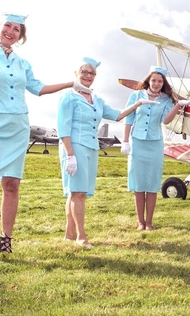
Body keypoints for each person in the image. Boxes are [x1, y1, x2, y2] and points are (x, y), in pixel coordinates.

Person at [0, 13, 90, 261]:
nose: (11, 31)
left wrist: (72, 83)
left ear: (21, 36)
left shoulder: (21, 63)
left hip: (18, 126)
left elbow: (37, 88)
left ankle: (5, 240)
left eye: (17, 29)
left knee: (11, 185)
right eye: (7, 25)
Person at [57, 57, 152, 248]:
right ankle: (81, 237)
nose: (88, 76)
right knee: (78, 192)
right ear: (76, 74)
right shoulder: (68, 97)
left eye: (92, 73)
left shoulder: (96, 99)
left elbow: (116, 115)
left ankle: (69, 233)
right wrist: (70, 154)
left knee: (76, 193)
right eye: (84, 71)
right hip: (74, 146)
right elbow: (63, 127)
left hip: (91, 147)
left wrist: (137, 105)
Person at [121, 66, 189, 230]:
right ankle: (140, 222)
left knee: (151, 183)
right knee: (138, 184)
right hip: (137, 142)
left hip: (155, 143)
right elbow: (128, 118)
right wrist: (125, 141)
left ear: (163, 83)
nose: (156, 83)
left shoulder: (165, 99)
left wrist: (177, 106)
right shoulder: (136, 96)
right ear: (148, 81)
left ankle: (149, 223)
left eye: (160, 81)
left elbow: (166, 120)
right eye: (154, 80)